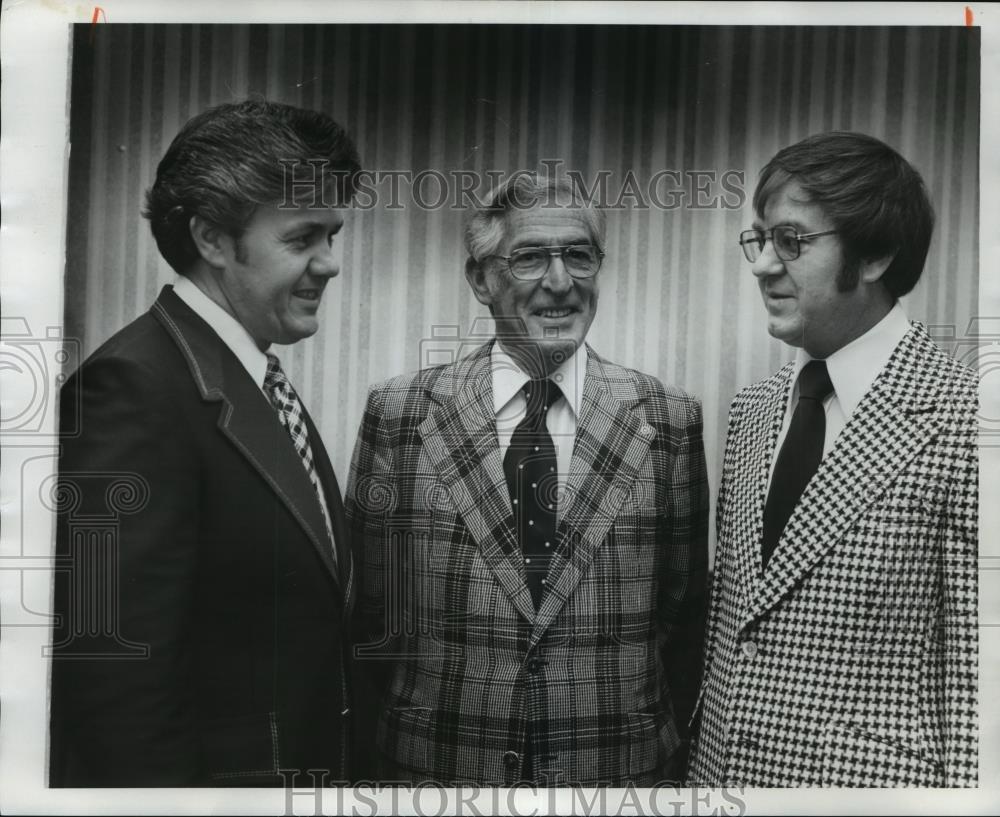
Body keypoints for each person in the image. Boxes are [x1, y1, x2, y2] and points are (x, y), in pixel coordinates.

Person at [346, 174, 709, 786]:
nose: (560, 282)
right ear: (481, 279)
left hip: (614, 777)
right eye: (530, 257)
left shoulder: (666, 418)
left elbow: (683, 616)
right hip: (438, 774)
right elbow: (371, 617)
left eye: (578, 255)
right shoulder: (400, 412)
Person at [49, 99, 360, 786]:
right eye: (304, 236)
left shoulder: (244, 373)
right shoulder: (132, 389)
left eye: (333, 236)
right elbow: (116, 687)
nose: (330, 263)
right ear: (213, 239)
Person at [687, 131, 978, 787]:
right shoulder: (753, 410)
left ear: (875, 254)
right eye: (758, 240)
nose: (761, 265)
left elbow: (977, 679)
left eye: (790, 241)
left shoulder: (966, 420)